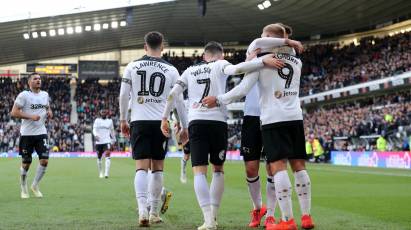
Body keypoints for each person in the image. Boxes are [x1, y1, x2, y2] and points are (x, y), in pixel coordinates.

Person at [202, 24, 314, 230]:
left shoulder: (262, 61)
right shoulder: (296, 61)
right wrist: (252, 61)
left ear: (271, 39)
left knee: (276, 167)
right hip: (285, 117)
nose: (259, 40)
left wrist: (217, 99)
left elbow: (241, 88)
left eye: (264, 37)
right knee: (291, 165)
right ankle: (304, 216)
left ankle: (282, 218)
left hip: (272, 118)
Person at [161, 41, 283, 230]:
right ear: (222, 55)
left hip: (196, 121)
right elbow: (236, 70)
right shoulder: (220, 64)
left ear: (204, 56)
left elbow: (173, 94)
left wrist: (164, 118)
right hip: (217, 121)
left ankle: (208, 220)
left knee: (199, 172)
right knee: (218, 169)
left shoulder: (189, 71)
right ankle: (215, 216)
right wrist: (260, 61)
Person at [119, 31, 187, 227]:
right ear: (163, 47)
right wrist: (184, 125)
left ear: (144, 46)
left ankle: (142, 210)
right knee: (157, 168)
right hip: (161, 123)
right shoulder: (172, 70)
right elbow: (179, 100)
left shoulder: (132, 66)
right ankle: (154, 212)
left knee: (141, 167)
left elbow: (124, 94)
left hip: (138, 121)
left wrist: (123, 119)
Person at [10, 73, 52, 199]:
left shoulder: (45, 95)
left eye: (39, 79)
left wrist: (49, 112)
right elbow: (14, 112)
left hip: (41, 132)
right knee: (26, 163)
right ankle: (23, 186)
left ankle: (34, 185)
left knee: (44, 161)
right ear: (30, 82)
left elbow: (47, 107)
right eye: (35, 79)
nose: (38, 80)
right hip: (27, 134)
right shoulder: (24, 95)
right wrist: (31, 116)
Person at [93, 109, 116, 178]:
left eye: (104, 112)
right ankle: (100, 172)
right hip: (99, 142)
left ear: (106, 113)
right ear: (100, 113)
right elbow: (94, 129)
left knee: (107, 155)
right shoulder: (97, 120)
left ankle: (106, 173)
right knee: (99, 157)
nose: (103, 113)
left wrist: (114, 140)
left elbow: (112, 131)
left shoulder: (110, 121)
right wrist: (95, 135)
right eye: (102, 112)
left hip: (107, 141)